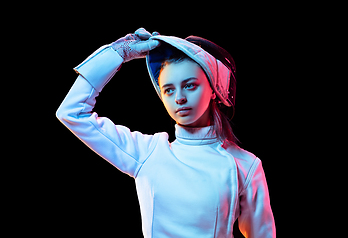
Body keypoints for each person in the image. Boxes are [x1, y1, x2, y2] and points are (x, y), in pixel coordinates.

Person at [56, 28, 276, 238]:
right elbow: (71, 112)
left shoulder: (245, 166)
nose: (179, 98)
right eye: (169, 90)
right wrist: (117, 55)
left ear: (213, 89)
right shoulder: (147, 153)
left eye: (190, 85)